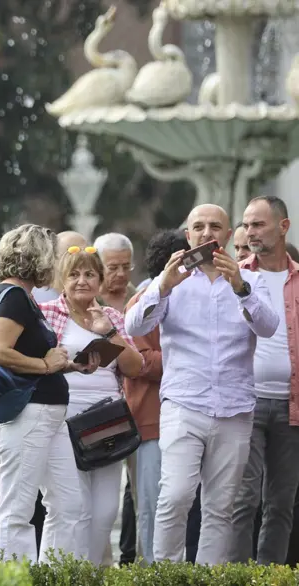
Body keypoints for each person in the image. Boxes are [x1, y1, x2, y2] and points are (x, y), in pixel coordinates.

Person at [125, 203, 278, 565]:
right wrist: (162, 286)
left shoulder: (251, 281)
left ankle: (208, 577)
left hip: (235, 408)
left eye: (215, 226)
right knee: (175, 496)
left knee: (220, 506)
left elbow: (269, 327)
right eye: (199, 226)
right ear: (188, 235)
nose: (207, 233)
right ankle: (166, 573)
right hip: (183, 404)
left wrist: (240, 287)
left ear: (227, 235)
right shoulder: (171, 282)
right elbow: (134, 327)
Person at [0, 224, 90, 564]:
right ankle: (13, 576)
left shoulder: (19, 296)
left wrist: (65, 365)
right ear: (40, 258)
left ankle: (53, 573)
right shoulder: (14, 297)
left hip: (46, 414)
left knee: (67, 503)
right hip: (28, 413)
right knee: (18, 507)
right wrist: (46, 365)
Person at [39, 246, 143, 565]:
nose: (81, 281)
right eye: (74, 274)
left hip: (105, 421)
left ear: (100, 280)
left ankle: (92, 573)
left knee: (105, 511)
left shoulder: (112, 316)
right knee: (73, 507)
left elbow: (135, 366)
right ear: (62, 279)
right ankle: (63, 574)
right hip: (61, 418)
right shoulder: (45, 312)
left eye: (89, 274)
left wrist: (108, 332)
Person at [229, 196, 299, 565]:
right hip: (246, 401)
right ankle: (239, 576)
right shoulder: (234, 277)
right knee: (243, 500)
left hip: (292, 404)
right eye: (247, 225)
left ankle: (270, 576)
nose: (250, 232)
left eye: (258, 225)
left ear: (283, 227)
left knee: (281, 502)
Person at [123, 229, 190, 565]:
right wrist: (189, 357)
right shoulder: (143, 303)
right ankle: (152, 571)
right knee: (151, 505)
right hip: (150, 422)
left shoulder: (193, 300)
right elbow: (138, 361)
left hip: (186, 416)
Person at [32, 231, 88, 303]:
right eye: (73, 254)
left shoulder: (88, 298)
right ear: (53, 258)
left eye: (86, 253)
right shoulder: (35, 299)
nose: (83, 261)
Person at [93, 233, 136, 312]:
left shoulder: (138, 299)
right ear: (97, 265)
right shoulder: (86, 299)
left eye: (126, 267)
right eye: (113, 268)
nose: (121, 273)